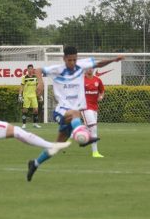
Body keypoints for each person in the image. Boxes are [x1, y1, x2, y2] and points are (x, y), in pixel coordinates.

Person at [26, 46, 123, 181]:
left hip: (73, 116)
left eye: (74, 60)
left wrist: (114, 60)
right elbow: (38, 70)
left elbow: (99, 63)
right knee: (75, 113)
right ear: (64, 58)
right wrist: (40, 82)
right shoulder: (57, 70)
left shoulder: (81, 65)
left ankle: (35, 163)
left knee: (57, 146)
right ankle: (83, 136)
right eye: (69, 60)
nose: (72, 63)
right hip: (61, 111)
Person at [83, 68, 105, 158]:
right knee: (93, 129)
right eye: (88, 68)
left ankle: (74, 133)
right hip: (85, 107)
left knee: (89, 128)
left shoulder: (98, 80)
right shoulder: (81, 80)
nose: (90, 69)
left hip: (94, 107)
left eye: (91, 68)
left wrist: (101, 96)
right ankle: (95, 153)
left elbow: (102, 91)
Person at [18, 64, 41, 129]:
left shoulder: (35, 77)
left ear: (33, 69)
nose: (30, 70)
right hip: (26, 96)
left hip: (33, 96)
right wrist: (20, 95)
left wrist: (39, 96)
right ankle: (24, 124)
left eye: (31, 69)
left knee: (36, 110)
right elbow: (21, 87)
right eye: (29, 69)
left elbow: (38, 87)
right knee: (25, 110)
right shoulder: (24, 77)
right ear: (27, 69)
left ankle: (35, 124)